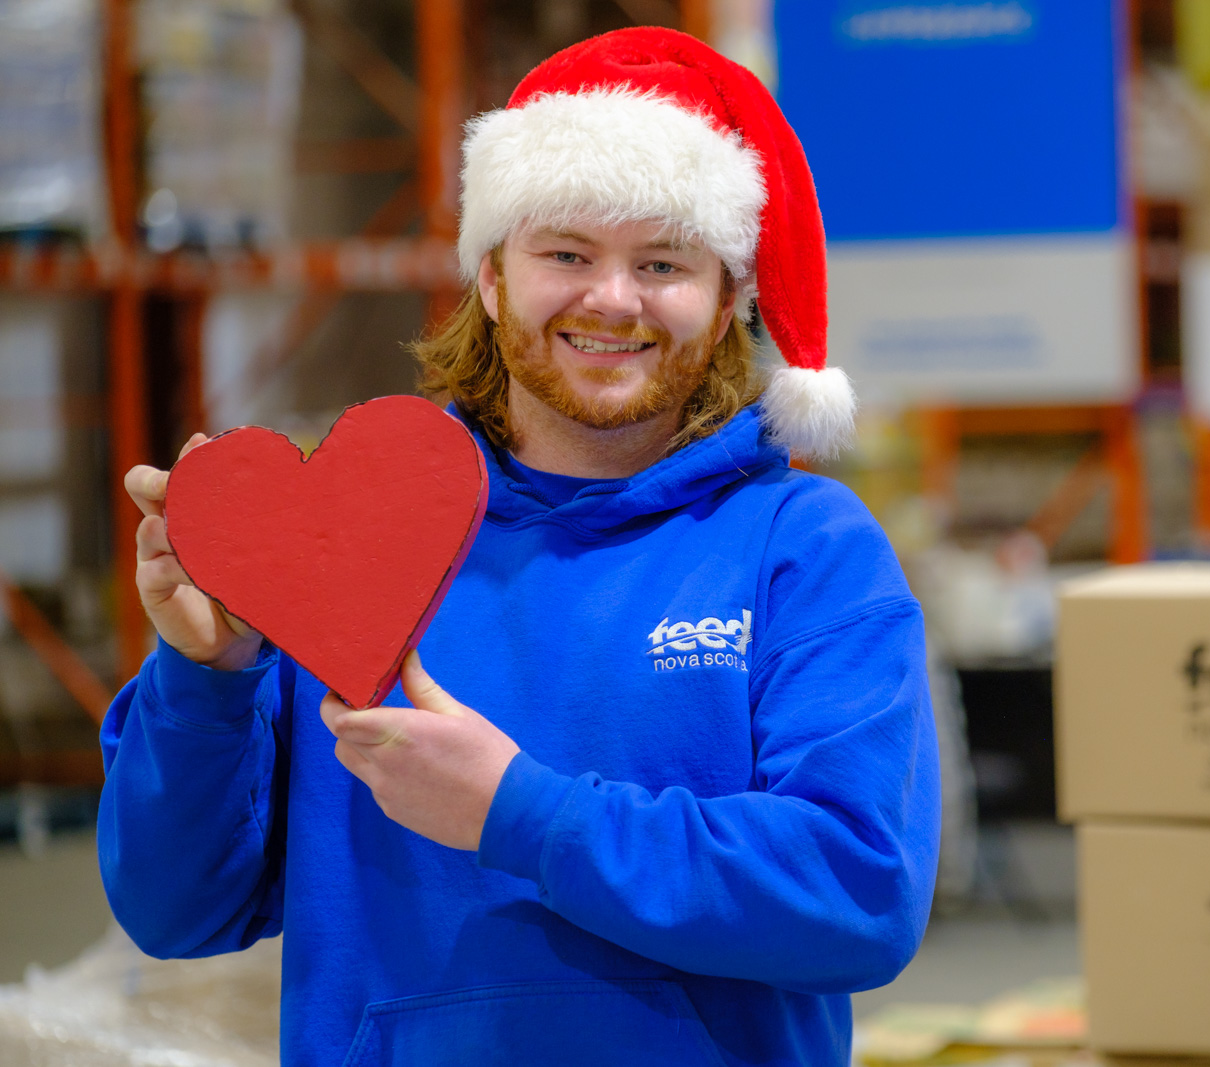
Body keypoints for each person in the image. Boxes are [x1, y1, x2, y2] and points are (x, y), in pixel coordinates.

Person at [98, 27, 940, 1067]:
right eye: (567, 254)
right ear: (491, 277)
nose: (613, 299)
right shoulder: (349, 547)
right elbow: (175, 910)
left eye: (663, 262)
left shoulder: (802, 550)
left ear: (728, 300)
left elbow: (857, 892)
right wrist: (208, 677)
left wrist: (520, 812)